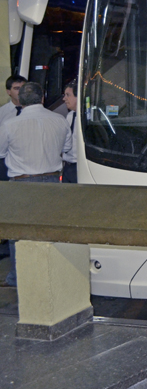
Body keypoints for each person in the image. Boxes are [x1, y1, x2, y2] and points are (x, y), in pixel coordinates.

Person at [0, 82, 72, 287]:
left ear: (20, 101)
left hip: (21, 185)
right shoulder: (60, 120)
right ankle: (52, 274)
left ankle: (19, 278)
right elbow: (66, 148)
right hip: (53, 182)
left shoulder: (10, 125)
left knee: (19, 235)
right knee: (50, 232)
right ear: (42, 98)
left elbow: (0, 152)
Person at [0, 75, 27, 181]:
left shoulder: (34, 111)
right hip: (5, 160)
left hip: (28, 160)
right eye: (16, 88)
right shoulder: (2, 113)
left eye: (23, 88)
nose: (21, 92)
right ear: (8, 91)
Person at [62, 81, 78, 183]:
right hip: (67, 165)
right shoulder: (70, 115)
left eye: (68, 95)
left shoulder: (88, 117)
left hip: (79, 166)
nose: (64, 99)